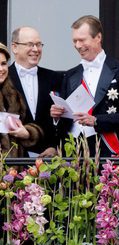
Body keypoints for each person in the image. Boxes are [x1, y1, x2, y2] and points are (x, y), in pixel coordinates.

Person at [50, 15, 119, 157]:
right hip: (73, 151)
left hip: (106, 149)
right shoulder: (71, 74)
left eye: (82, 40)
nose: (78, 45)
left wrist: (96, 120)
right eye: (75, 41)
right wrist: (57, 116)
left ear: (98, 37)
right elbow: (65, 122)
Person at [9, 26, 63, 157]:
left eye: (39, 44)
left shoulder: (55, 79)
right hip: (12, 161)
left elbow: (65, 121)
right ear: (14, 47)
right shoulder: (4, 78)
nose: (36, 49)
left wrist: (55, 147)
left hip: (49, 161)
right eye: (30, 44)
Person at [0, 43, 43, 157]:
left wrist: (28, 133)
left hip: (14, 169)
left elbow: (26, 123)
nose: (1, 69)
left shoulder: (14, 94)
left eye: (3, 64)